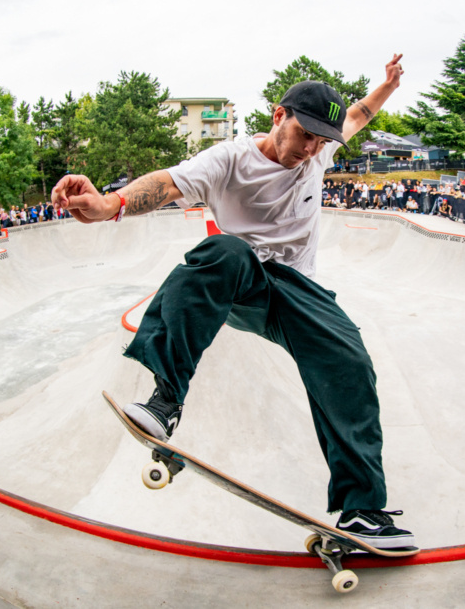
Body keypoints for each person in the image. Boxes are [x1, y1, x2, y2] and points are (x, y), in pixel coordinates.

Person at [51, 56, 416, 550]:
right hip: (240, 282)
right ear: (277, 115)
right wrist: (110, 205)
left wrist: (387, 86)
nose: (309, 149)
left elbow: (361, 114)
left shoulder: (319, 151)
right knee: (224, 250)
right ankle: (165, 402)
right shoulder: (229, 159)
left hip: (297, 290)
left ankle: (363, 512)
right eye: (303, 134)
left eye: (319, 141)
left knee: (349, 355)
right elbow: (166, 183)